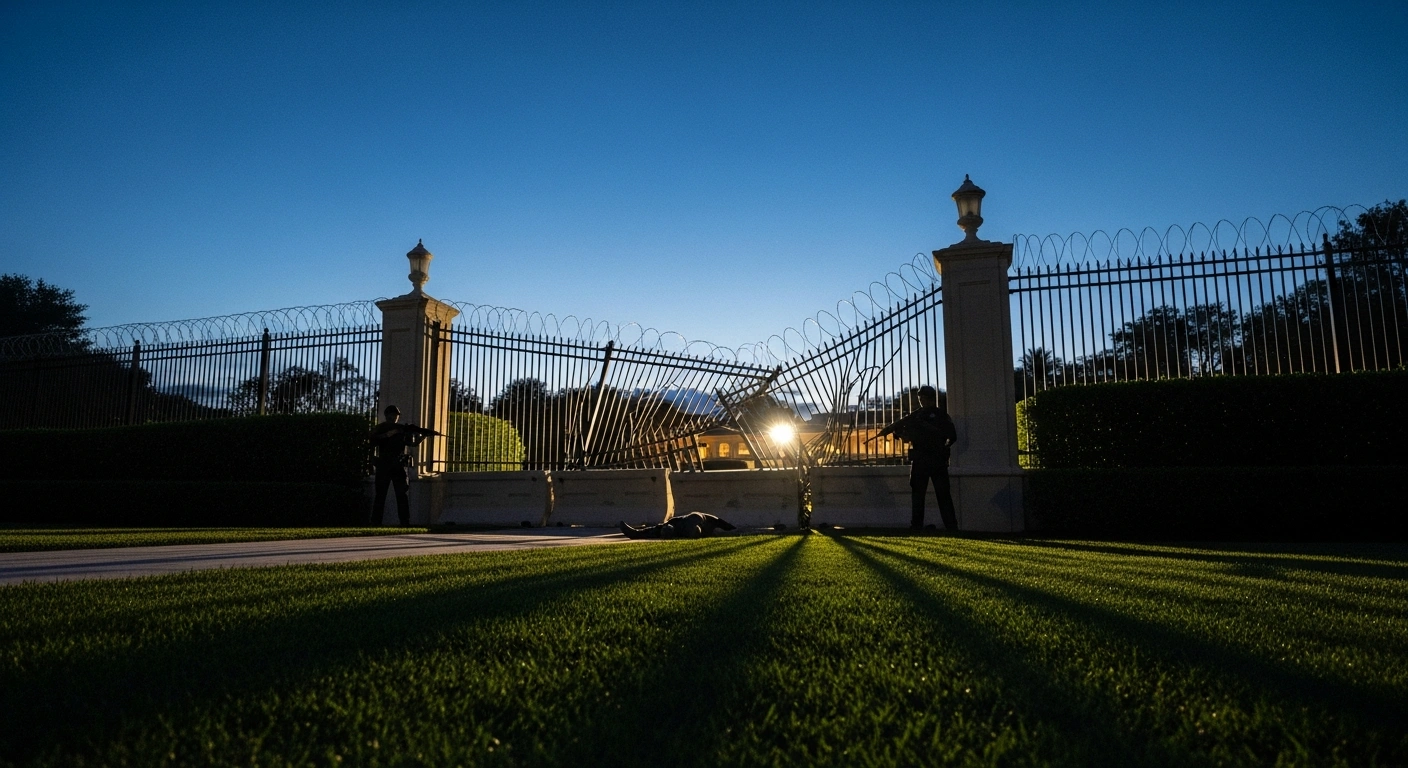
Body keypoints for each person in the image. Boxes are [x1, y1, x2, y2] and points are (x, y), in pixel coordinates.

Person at [876, 385, 958, 531]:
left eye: (924, 398)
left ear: (932, 398)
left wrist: (941, 445)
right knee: (918, 496)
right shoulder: (915, 417)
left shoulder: (940, 416)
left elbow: (951, 437)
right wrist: (900, 434)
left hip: (936, 460)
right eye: (920, 398)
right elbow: (906, 435)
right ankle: (917, 526)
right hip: (920, 459)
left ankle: (951, 526)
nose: (922, 401)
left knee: (943, 495)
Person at [369, 405, 437, 527]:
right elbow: (372, 439)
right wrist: (389, 434)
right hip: (384, 465)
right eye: (392, 415)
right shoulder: (381, 428)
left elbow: (412, 443)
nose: (394, 417)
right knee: (381, 495)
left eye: (396, 415)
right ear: (387, 415)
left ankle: (404, 522)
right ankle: (376, 522)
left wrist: (423, 436)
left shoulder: (401, 430)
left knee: (402, 495)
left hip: (398, 465)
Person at [618, 511, 737, 539]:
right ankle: (636, 534)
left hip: (694, 525)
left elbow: (725, 526)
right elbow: (723, 524)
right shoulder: (695, 519)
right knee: (657, 530)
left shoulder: (696, 521)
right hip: (695, 522)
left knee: (657, 530)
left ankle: (636, 534)